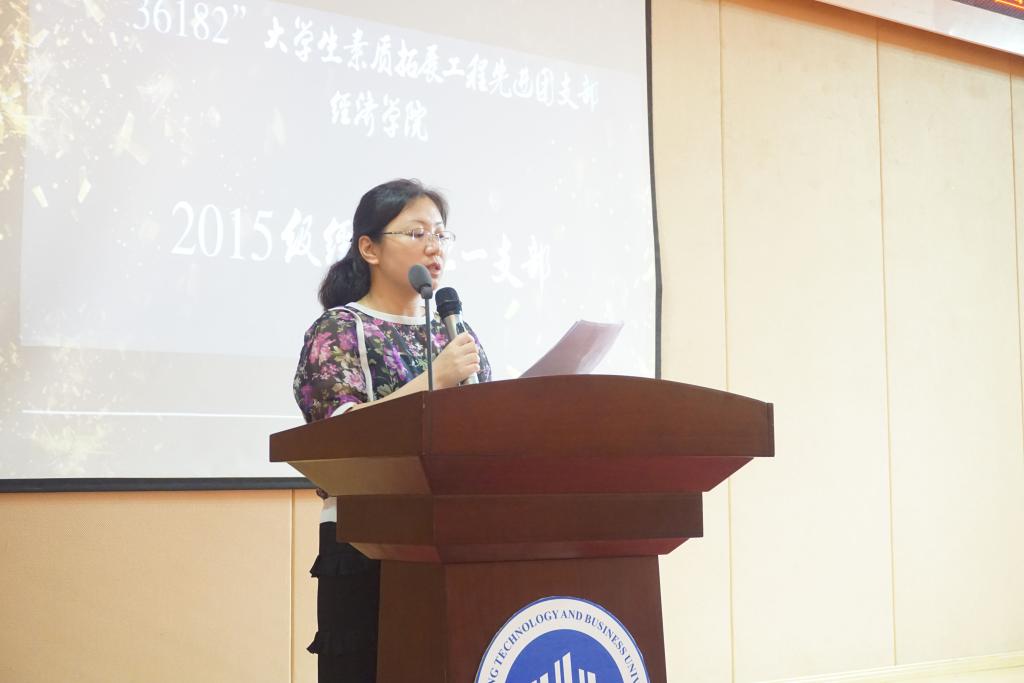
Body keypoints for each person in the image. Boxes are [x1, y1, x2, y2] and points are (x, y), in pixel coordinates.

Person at [292, 178, 492, 682]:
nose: (434, 246)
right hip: (369, 539)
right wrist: (435, 378)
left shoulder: (454, 333)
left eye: (441, 234)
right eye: (417, 232)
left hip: (459, 532)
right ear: (369, 248)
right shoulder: (340, 329)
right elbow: (339, 438)